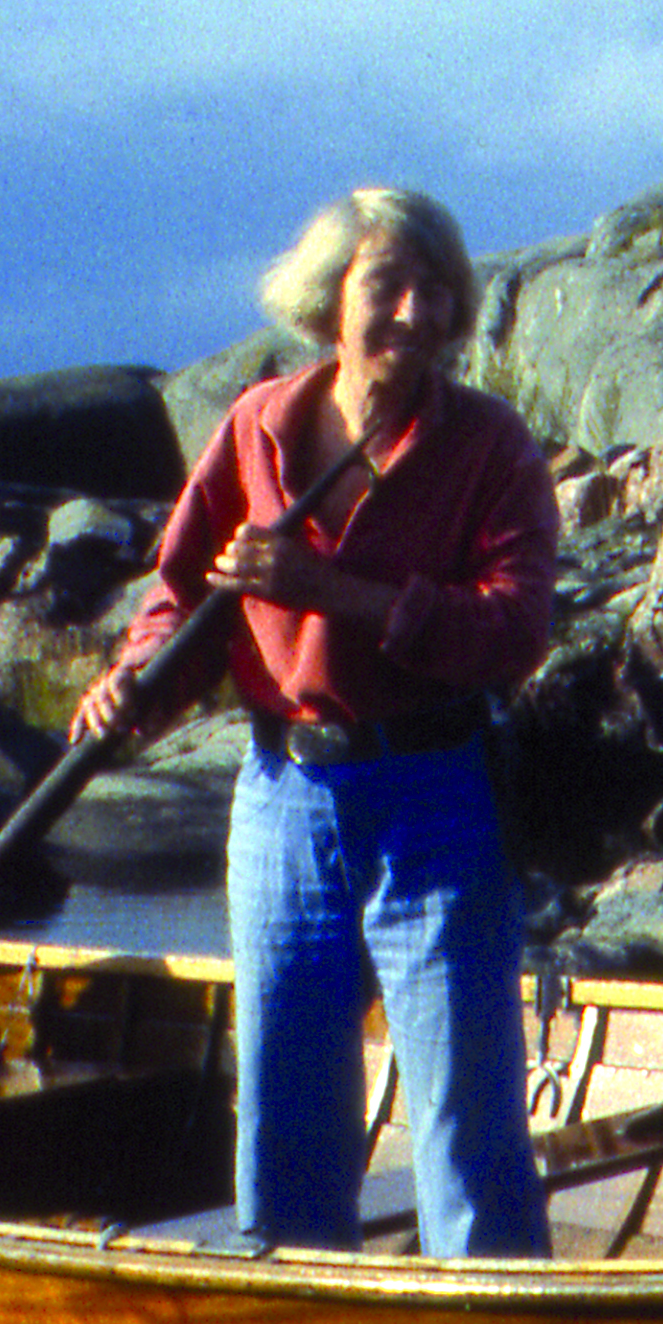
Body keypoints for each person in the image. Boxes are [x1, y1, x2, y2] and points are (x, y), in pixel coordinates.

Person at [70, 185, 561, 1258]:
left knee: (465, 1126)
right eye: (388, 285)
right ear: (330, 301)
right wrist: (133, 684)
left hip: (435, 800)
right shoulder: (258, 427)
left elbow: (515, 631)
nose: (416, 313)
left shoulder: (489, 445)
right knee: (287, 1112)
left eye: (437, 291)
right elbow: (184, 597)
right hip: (282, 802)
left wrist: (336, 589)